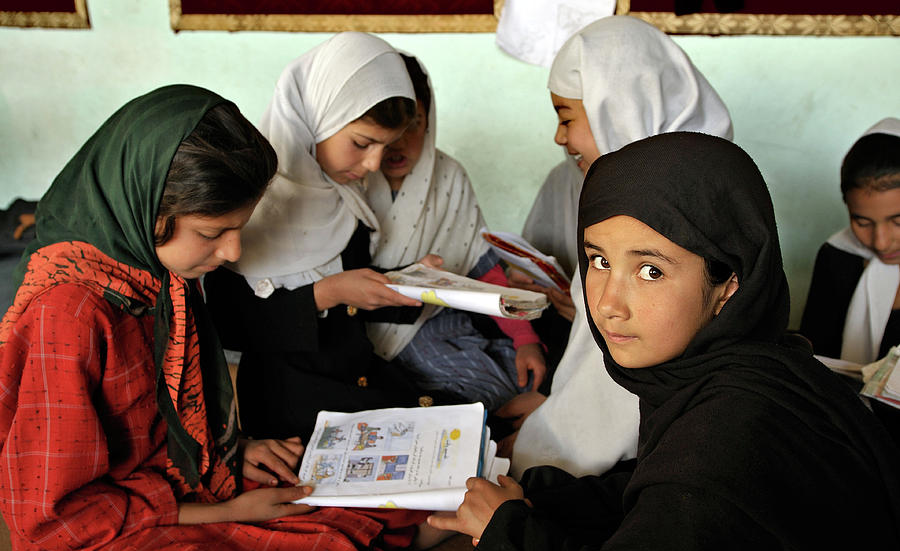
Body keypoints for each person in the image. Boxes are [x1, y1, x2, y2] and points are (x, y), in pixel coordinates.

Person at [421, 132, 900, 551]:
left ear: (729, 284)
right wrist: (538, 494)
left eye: (650, 271)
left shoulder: (728, 429)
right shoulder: (743, 370)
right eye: (599, 261)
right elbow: (654, 486)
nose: (609, 303)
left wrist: (507, 530)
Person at [0, 84, 428, 551]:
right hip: (102, 537)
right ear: (146, 208)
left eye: (239, 228)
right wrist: (223, 510)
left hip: (186, 485)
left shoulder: (159, 273)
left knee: (384, 493)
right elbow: (58, 517)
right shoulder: (69, 315)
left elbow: (168, 419)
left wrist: (229, 452)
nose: (232, 251)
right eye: (212, 233)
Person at [499, 15, 734, 477]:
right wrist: (552, 410)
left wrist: (538, 442)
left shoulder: (680, 198)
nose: (559, 137)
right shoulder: (640, 185)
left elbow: (626, 395)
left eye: (567, 117)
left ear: (618, 105)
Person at [204, 32, 431, 442]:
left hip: (354, 384)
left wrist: (409, 282)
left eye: (386, 146)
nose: (375, 163)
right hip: (288, 412)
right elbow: (228, 323)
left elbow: (351, 290)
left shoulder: (342, 195)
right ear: (317, 115)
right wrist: (324, 294)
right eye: (362, 143)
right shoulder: (251, 198)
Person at [365, 53, 545, 411]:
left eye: (414, 124)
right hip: (374, 329)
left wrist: (525, 339)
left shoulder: (448, 176)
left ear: (429, 121)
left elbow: (482, 266)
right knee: (481, 389)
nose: (399, 143)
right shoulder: (353, 179)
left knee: (527, 368)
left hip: (445, 317)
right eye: (391, 129)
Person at [799, 117, 900, 445]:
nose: (882, 241)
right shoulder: (838, 257)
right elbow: (819, 357)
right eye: (862, 221)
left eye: (899, 221)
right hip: (852, 438)